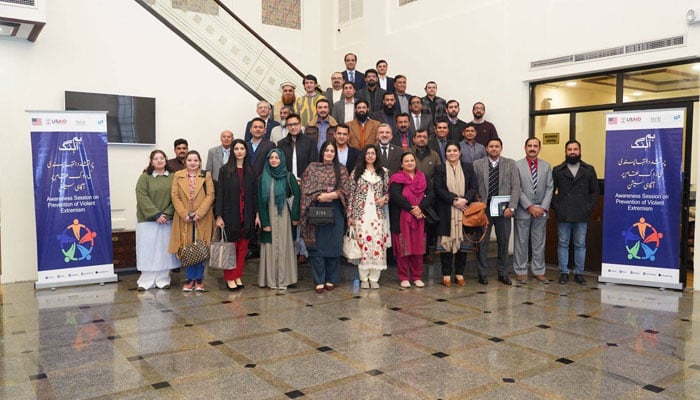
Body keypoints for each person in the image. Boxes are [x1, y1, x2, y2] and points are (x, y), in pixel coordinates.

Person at [301, 141, 351, 293]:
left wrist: (332, 195)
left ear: (335, 154)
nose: (329, 153)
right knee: (318, 248)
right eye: (327, 150)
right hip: (316, 209)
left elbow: (346, 190)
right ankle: (319, 280)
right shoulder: (312, 168)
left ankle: (331, 279)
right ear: (322, 152)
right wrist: (319, 196)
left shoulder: (341, 170)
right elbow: (305, 188)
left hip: (335, 211)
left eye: (332, 151)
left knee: (334, 246)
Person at [472, 138, 520, 285]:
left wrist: (511, 207)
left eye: (497, 146)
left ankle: (503, 273)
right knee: (482, 244)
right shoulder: (477, 164)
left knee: (504, 242)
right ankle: (482, 274)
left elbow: (516, 187)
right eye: (491, 146)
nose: (494, 149)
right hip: (484, 210)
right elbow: (473, 186)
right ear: (486, 148)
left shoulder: (510, 163)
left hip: (504, 211)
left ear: (501, 148)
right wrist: (477, 204)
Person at [552, 140, 599, 285]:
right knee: (563, 243)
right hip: (564, 213)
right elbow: (550, 191)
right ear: (565, 152)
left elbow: (595, 191)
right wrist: (557, 207)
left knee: (580, 244)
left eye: (575, 149)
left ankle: (579, 272)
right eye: (569, 149)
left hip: (581, 213)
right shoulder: (557, 170)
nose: (572, 152)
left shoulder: (589, 169)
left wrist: (588, 207)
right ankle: (564, 272)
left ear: (580, 151)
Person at [169, 150, 215, 292]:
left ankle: (199, 279)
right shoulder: (178, 175)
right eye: (190, 160)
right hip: (185, 218)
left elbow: (210, 195)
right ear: (185, 162)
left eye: (196, 160)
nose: (193, 163)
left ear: (200, 162)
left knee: (201, 246)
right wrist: (184, 214)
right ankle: (190, 279)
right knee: (187, 247)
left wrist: (199, 213)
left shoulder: (205, 175)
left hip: (203, 217)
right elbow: (174, 196)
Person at [433, 142, 478, 286]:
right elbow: (438, 188)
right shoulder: (440, 168)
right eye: (449, 151)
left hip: (464, 212)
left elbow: (473, 187)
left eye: (455, 150)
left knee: (463, 246)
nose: (452, 153)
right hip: (446, 211)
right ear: (445, 153)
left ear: (459, 152)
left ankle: (459, 274)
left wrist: (465, 199)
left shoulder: (468, 167)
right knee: (446, 246)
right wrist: (454, 200)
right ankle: (446, 275)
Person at [214, 139, 257, 291]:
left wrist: (256, 214)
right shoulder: (225, 170)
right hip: (230, 215)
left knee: (243, 248)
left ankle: (238, 275)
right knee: (231, 248)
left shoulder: (250, 171)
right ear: (232, 151)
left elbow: (254, 195)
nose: (239, 151)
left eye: (242, 148)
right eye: (236, 148)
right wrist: (218, 216)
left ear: (246, 151)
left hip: (247, 215)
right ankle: (230, 277)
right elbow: (220, 194)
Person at [135, 150, 179, 290]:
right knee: (148, 249)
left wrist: (166, 214)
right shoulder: (145, 177)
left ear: (166, 160)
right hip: (148, 220)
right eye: (156, 158)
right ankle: (146, 280)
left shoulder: (173, 177)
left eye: (161, 158)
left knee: (164, 250)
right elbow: (141, 196)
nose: (159, 161)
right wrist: (156, 214)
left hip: (167, 220)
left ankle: (163, 279)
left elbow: (177, 197)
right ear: (151, 161)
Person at [257, 149, 301, 290]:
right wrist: (265, 222)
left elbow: (298, 196)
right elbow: (259, 202)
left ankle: (284, 279)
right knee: (269, 247)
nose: (274, 160)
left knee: (284, 246)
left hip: (285, 219)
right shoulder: (262, 178)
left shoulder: (288, 177)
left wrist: (295, 216)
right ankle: (270, 280)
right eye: (271, 158)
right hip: (269, 217)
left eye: (277, 157)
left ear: (281, 160)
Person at [347, 144, 390, 289]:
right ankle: (363, 278)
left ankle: (374, 278)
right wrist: (350, 215)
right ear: (364, 155)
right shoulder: (356, 173)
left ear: (377, 155)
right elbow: (351, 195)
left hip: (377, 214)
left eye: (373, 153)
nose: (370, 155)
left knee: (377, 243)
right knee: (363, 245)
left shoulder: (383, 172)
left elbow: (387, 192)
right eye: (368, 153)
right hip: (361, 214)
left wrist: (384, 199)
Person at [389, 151, 433, 288]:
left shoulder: (423, 177)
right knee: (403, 248)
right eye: (406, 161)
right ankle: (403, 277)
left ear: (415, 162)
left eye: (412, 160)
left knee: (418, 248)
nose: (409, 163)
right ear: (402, 164)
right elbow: (396, 197)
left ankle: (417, 276)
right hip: (402, 218)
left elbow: (430, 194)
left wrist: (420, 208)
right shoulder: (396, 178)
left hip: (420, 217)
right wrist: (412, 209)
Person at [514, 137, 553, 284]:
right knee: (521, 242)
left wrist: (542, 207)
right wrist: (530, 206)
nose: (532, 148)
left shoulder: (546, 166)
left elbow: (550, 187)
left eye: (535, 146)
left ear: (539, 148)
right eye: (529, 145)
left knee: (539, 243)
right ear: (525, 148)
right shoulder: (517, 165)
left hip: (541, 211)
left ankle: (538, 271)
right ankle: (521, 271)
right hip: (524, 210)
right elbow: (517, 188)